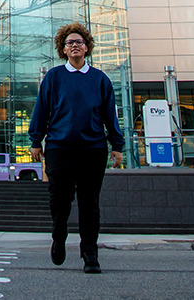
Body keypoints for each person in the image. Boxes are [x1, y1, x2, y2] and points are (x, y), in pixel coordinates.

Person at [28, 22, 124, 274]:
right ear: (63, 49)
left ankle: (90, 253)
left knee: (89, 202)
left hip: (93, 148)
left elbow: (109, 116)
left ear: (87, 47)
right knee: (60, 201)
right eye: (69, 42)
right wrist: (36, 140)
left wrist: (117, 145)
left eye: (79, 42)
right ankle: (59, 238)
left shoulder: (100, 79)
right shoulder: (54, 77)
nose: (75, 46)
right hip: (60, 148)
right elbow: (41, 110)